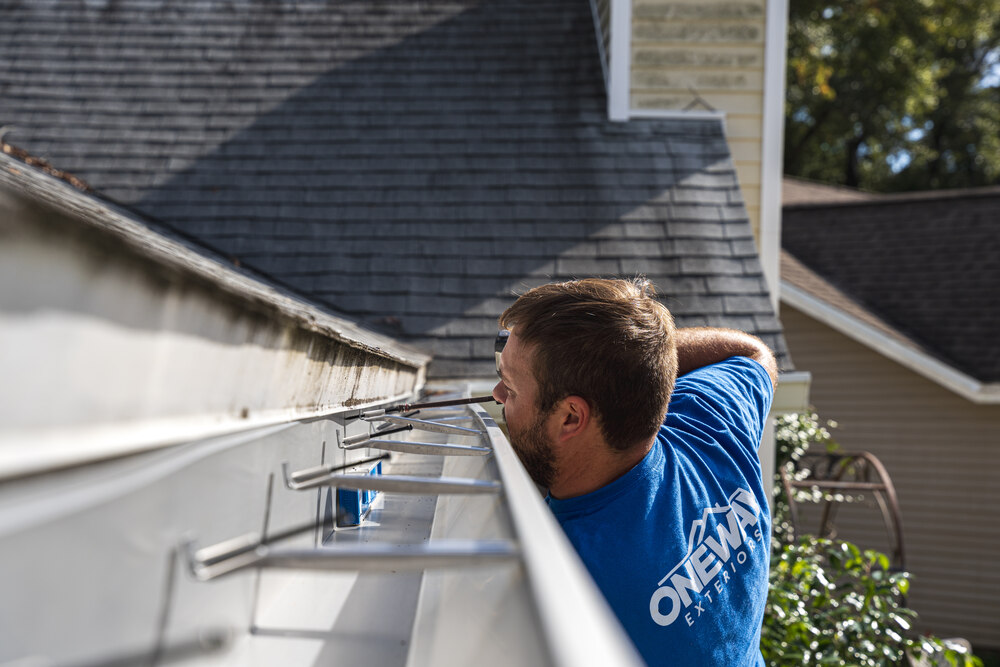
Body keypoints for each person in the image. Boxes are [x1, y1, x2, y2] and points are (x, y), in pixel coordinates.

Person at [492, 277, 777, 667]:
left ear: (571, 417)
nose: (496, 395)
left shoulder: (555, 580)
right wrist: (635, 358)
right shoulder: (710, 425)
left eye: (510, 385)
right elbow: (753, 354)